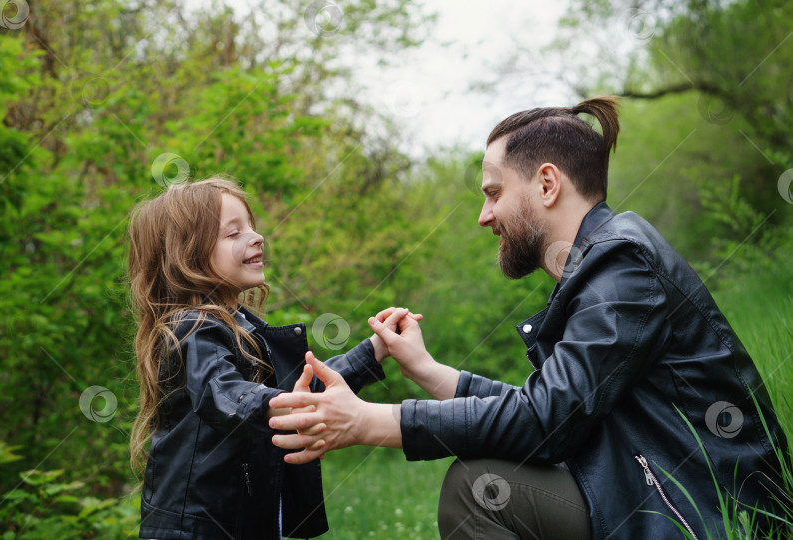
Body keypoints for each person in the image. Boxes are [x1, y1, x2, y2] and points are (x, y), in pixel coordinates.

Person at [268, 97, 789, 539]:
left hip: (708, 512)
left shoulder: (621, 268)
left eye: (493, 193)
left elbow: (546, 423)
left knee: (478, 490)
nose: (483, 215)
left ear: (546, 185)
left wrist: (368, 421)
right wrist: (427, 370)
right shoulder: (603, 264)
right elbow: (550, 409)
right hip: (655, 488)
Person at [127, 176, 400, 539]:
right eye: (233, 233)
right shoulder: (189, 329)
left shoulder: (244, 328)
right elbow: (221, 392)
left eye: (251, 227)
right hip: (193, 529)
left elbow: (304, 390)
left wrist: (375, 350)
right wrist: (274, 405)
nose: (256, 237)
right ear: (187, 254)